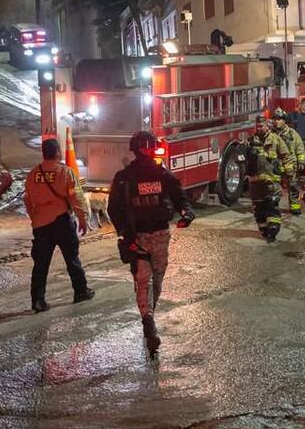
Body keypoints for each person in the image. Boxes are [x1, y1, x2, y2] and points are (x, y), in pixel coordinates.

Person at [107, 131, 195, 352]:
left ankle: (148, 319)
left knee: (145, 281)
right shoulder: (157, 174)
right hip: (155, 237)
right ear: (147, 148)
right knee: (153, 280)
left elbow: (114, 209)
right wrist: (187, 212)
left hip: (140, 238)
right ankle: (149, 322)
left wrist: (126, 234)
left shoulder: (126, 177)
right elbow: (180, 198)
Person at [23, 138, 95, 312]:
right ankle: (80, 291)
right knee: (72, 258)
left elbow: (27, 199)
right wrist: (83, 218)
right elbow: (75, 197)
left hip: (41, 224)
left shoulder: (33, 173)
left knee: (40, 264)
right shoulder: (65, 172)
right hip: (61, 221)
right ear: (57, 153)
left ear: (43, 153)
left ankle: (38, 300)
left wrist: (35, 218)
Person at [247, 115, 294, 242]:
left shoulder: (276, 140)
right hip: (255, 183)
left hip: (271, 181)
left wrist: (289, 173)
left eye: (261, 126)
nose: (259, 128)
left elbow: (286, 156)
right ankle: (263, 230)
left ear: (267, 126)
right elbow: (244, 160)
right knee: (259, 209)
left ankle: (273, 229)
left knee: (272, 205)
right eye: (257, 126)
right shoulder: (250, 141)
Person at [271, 108, 305, 216]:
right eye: (275, 119)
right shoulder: (270, 135)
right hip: (275, 166)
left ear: (284, 121)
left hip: (290, 166)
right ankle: (273, 207)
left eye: (280, 119)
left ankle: (295, 206)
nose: (277, 121)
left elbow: (300, 148)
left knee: (293, 186)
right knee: (273, 188)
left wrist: (301, 162)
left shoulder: (292, 134)